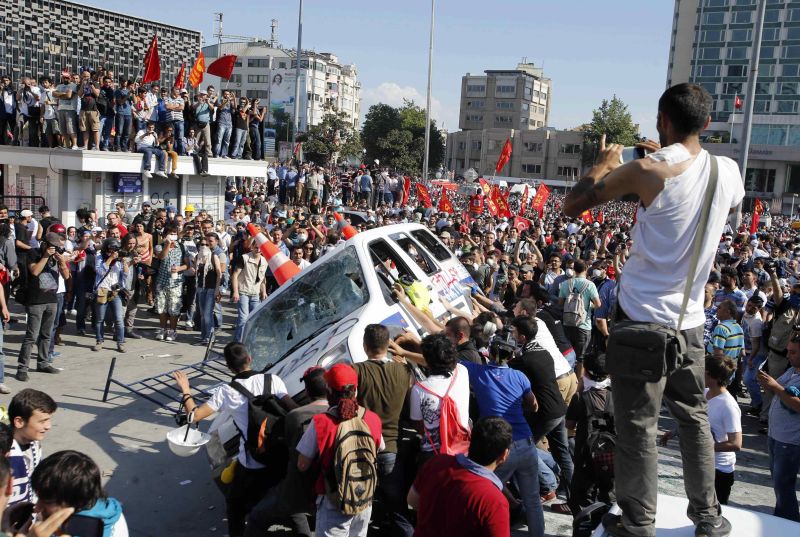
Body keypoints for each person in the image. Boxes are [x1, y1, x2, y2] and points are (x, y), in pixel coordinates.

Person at [563, 83, 744, 537]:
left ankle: (638, 522)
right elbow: (720, 204)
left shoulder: (646, 170)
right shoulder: (728, 170)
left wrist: (604, 163)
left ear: (662, 120)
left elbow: (572, 206)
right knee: (694, 420)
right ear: (707, 123)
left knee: (638, 428)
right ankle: (708, 517)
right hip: (691, 322)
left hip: (641, 321)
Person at [173, 342, 297, 537]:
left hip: (252, 462)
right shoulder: (273, 379)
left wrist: (186, 389)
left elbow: (194, 416)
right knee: (287, 502)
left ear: (229, 367)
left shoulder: (226, 391)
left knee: (235, 507)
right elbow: (293, 408)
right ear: (249, 359)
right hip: (280, 455)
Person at [296, 364, 383, 537]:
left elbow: (302, 465)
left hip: (334, 500)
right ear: (356, 390)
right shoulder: (372, 418)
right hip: (364, 497)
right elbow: (378, 449)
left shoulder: (321, 422)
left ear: (329, 391)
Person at [244, 367, 329, 537]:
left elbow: (292, 449)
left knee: (256, 517)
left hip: (298, 486)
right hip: (326, 485)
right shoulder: (336, 413)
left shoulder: (295, 417)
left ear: (307, 391)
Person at [352, 324, 413, 536]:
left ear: (365, 346)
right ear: (388, 345)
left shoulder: (356, 371)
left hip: (363, 448)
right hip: (393, 447)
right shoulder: (404, 370)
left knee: (360, 506)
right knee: (398, 507)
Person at [408, 417, 512, 537]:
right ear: (504, 454)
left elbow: (412, 500)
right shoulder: (494, 501)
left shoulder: (437, 462)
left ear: (471, 439)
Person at [509, 316, 572, 507]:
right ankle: (573, 498)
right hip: (558, 409)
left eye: (514, 331)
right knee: (562, 453)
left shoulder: (525, 360)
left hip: (545, 413)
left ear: (522, 337)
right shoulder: (543, 351)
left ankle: (547, 486)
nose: (511, 334)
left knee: (523, 447)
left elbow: (506, 370)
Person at [30, 450, 129, 536]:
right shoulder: (108, 508)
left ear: (77, 500)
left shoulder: (73, 531)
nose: (36, 508)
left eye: (47, 501)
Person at [566, 352, 615, 514]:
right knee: (608, 495)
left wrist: (579, 390)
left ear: (585, 372)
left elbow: (569, 424)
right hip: (610, 455)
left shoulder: (581, 398)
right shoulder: (616, 396)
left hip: (585, 455)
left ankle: (585, 523)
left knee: (582, 497)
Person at [757, 335, 800, 522]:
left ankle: (788, 523)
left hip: (790, 441)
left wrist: (775, 386)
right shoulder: (792, 370)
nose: (788, 355)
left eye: (793, 352)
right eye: (788, 350)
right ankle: (782, 518)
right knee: (779, 484)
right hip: (776, 436)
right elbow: (778, 390)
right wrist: (767, 384)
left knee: (784, 485)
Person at [17, 233, 68, 381]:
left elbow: (66, 276)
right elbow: (34, 271)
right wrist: (46, 255)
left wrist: (62, 262)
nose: (55, 249)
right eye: (53, 246)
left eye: (58, 247)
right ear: (45, 244)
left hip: (52, 299)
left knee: (46, 335)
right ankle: (22, 368)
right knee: (31, 336)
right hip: (35, 300)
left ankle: (43, 363)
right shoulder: (34, 253)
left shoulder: (56, 257)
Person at [702, 354, 742, 506]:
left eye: (703, 370)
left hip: (719, 470)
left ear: (712, 376)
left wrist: (703, 446)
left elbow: (736, 444)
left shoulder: (728, 405)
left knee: (715, 511)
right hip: (703, 464)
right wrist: (674, 433)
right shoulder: (704, 393)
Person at [8, 389, 57, 507]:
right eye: (42, 421)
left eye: (49, 419)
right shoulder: (5, 453)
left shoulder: (34, 443)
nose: (48, 426)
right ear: (19, 422)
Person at [92, 238, 128, 353]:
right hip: (102, 291)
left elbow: (125, 275)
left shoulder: (118, 259)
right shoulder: (99, 257)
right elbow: (100, 271)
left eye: (116, 250)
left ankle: (120, 342)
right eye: (112, 249)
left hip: (115, 292)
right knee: (100, 319)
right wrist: (111, 258)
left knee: (119, 319)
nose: (114, 252)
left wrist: (124, 263)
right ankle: (99, 341)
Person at [153, 223, 188, 342]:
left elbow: (187, 265)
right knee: (161, 307)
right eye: (170, 234)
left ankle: (173, 331)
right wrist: (167, 244)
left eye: (174, 233)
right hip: (162, 281)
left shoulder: (181, 247)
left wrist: (179, 268)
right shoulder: (159, 246)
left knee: (174, 308)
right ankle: (163, 329)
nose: (173, 236)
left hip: (176, 282)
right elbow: (161, 257)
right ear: (165, 235)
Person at [231, 239, 268, 342]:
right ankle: (238, 342)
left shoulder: (264, 261)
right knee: (243, 319)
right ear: (252, 247)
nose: (258, 249)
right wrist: (235, 292)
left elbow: (262, 278)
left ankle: (250, 342)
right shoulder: (244, 258)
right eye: (256, 247)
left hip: (255, 294)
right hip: (243, 292)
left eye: (260, 248)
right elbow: (235, 275)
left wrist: (264, 291)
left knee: (254, 319)